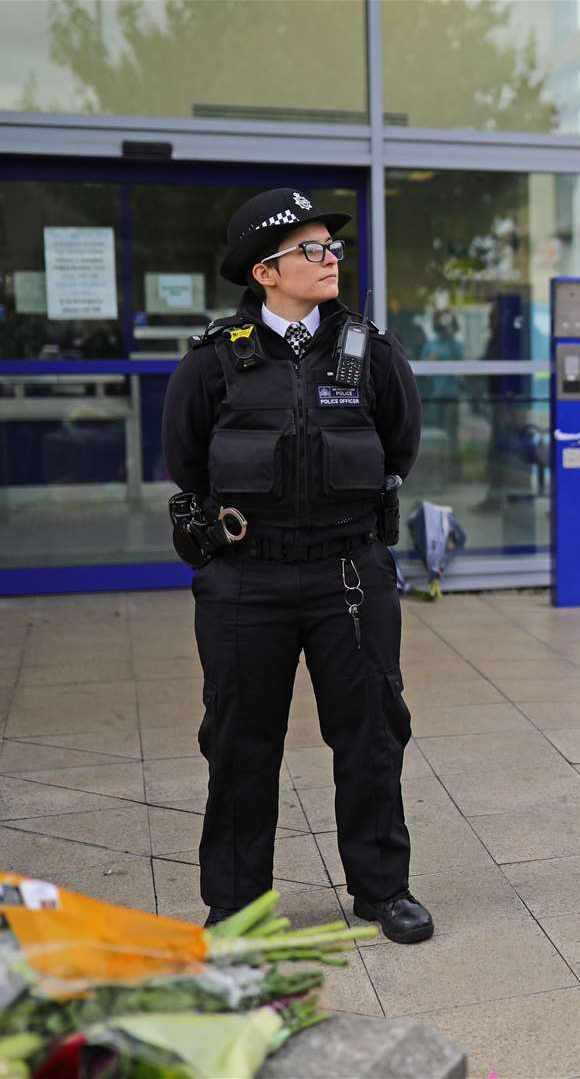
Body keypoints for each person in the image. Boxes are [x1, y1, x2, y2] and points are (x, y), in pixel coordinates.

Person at [162, 188, 432, 943]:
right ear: (265, 270)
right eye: (312, 250)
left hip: (349, 574)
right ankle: (237, 902)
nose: (330, 260)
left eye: (334, 249)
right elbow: (185, 461)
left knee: (373, 732)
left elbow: (398, 445)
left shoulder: (371, 352)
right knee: (241, 740)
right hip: (246, 578)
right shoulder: (215, 361)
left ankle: (383, 890)